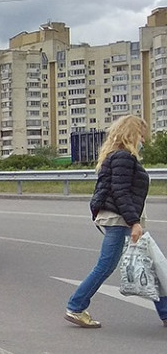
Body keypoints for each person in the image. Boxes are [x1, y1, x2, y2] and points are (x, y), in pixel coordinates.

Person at [65, 115, 167, 328]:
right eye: (141, 134)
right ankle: (75, 306)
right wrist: (134, 222)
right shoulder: (123, 157)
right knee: (107, 265)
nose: (143, 140)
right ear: (131, 134)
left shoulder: (117, 156)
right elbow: (120, 192)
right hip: (120, 219)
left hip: (120, 218)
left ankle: (165, 312)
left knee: (152, 263)